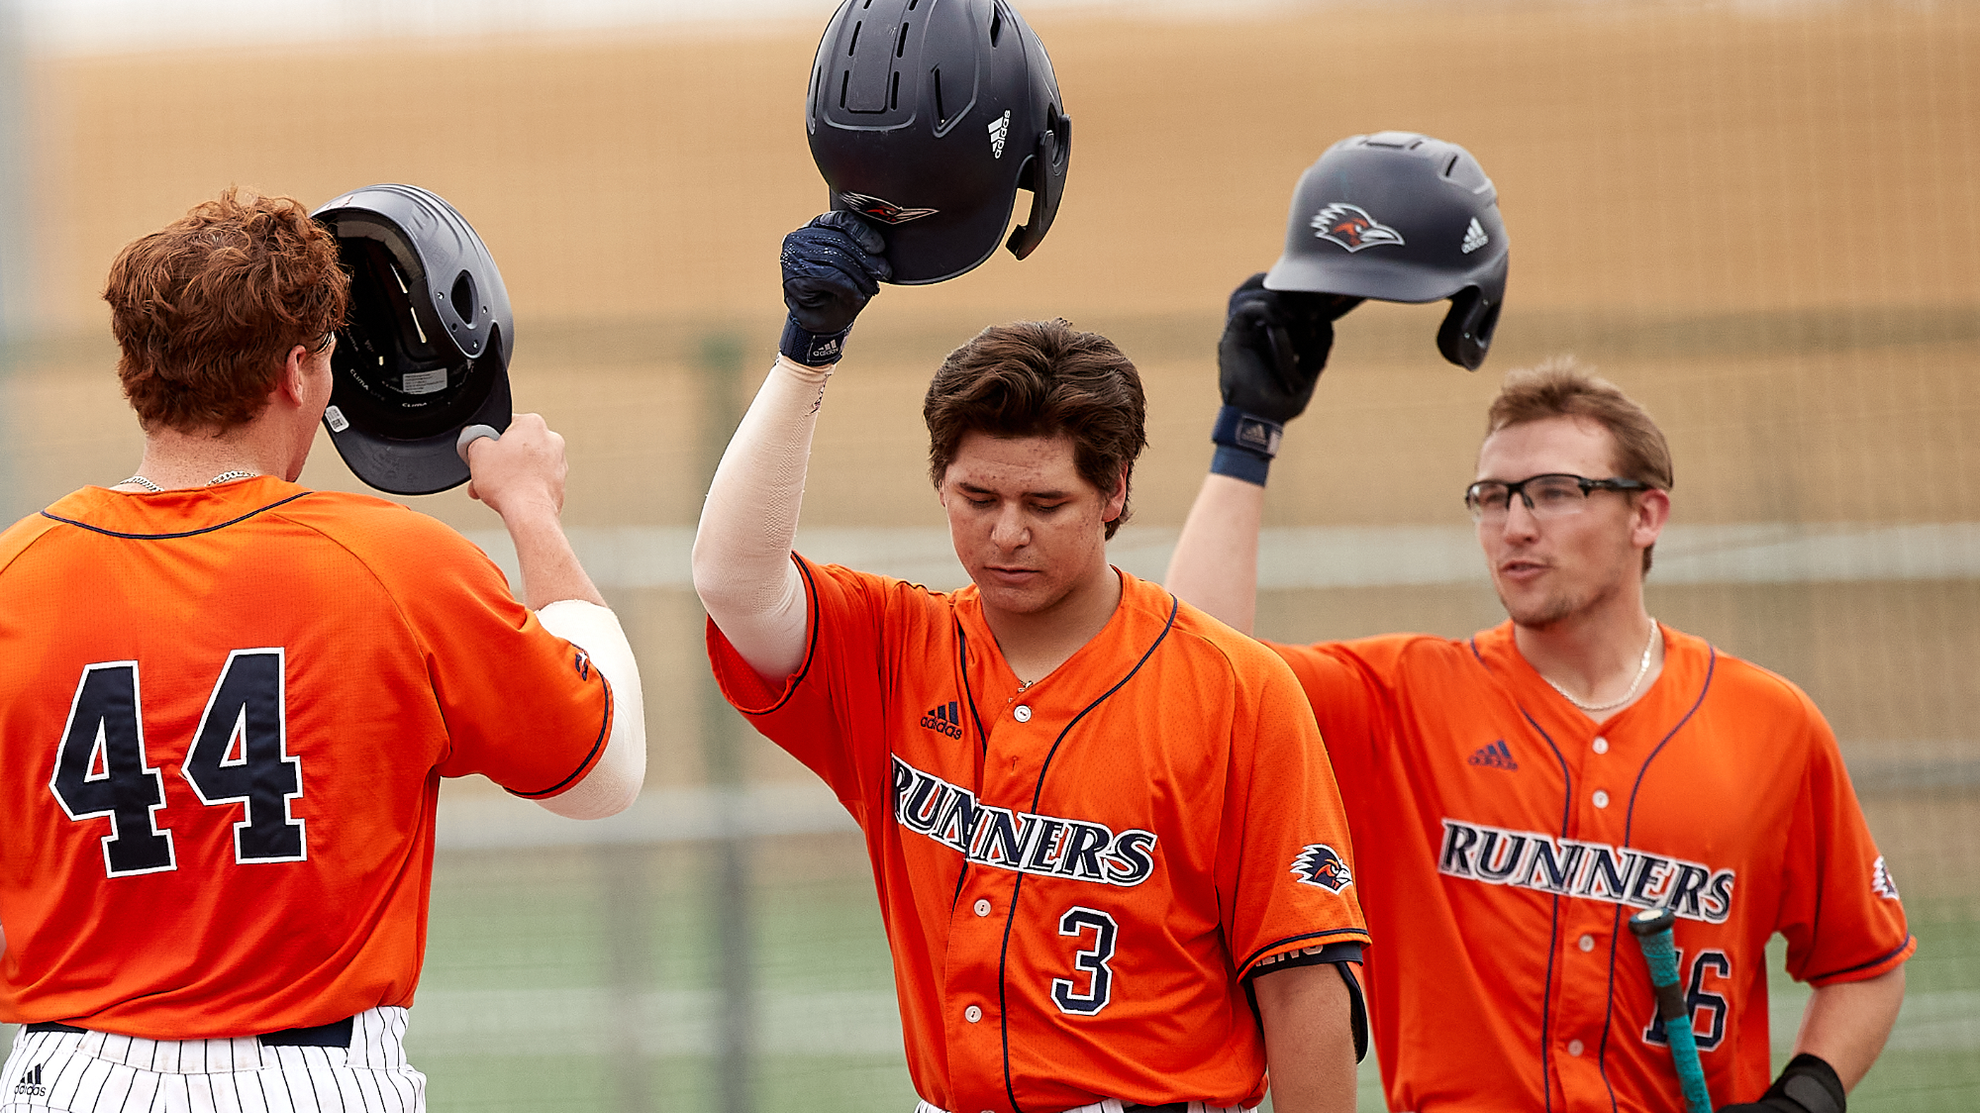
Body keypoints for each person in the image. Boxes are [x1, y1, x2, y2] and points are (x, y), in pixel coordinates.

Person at [1164, 287, 1913, 1113]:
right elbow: (1201, 672)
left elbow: (1865, 962)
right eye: (1493, 496)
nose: (1515, 524)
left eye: (1554, 492)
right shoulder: (1402, 698)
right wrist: (1247, 434)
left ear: (1646, 515)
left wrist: (1809, 1093)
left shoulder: (1773, 723)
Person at [692, 212, 1370, 1113]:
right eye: (977, 495)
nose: (1006, 532)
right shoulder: (895, 645)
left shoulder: (1237, 689)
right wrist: (804, 355)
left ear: (1116, 489)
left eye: (1046, 501)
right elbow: (733, 581)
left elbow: (1303, 981)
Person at [0, 189, 645, 1112]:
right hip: (306, 1078)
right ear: (295, 373)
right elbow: (603, 769)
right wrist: (531, 511)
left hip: (64, 1077)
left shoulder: (16, 576)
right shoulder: (395, 564)